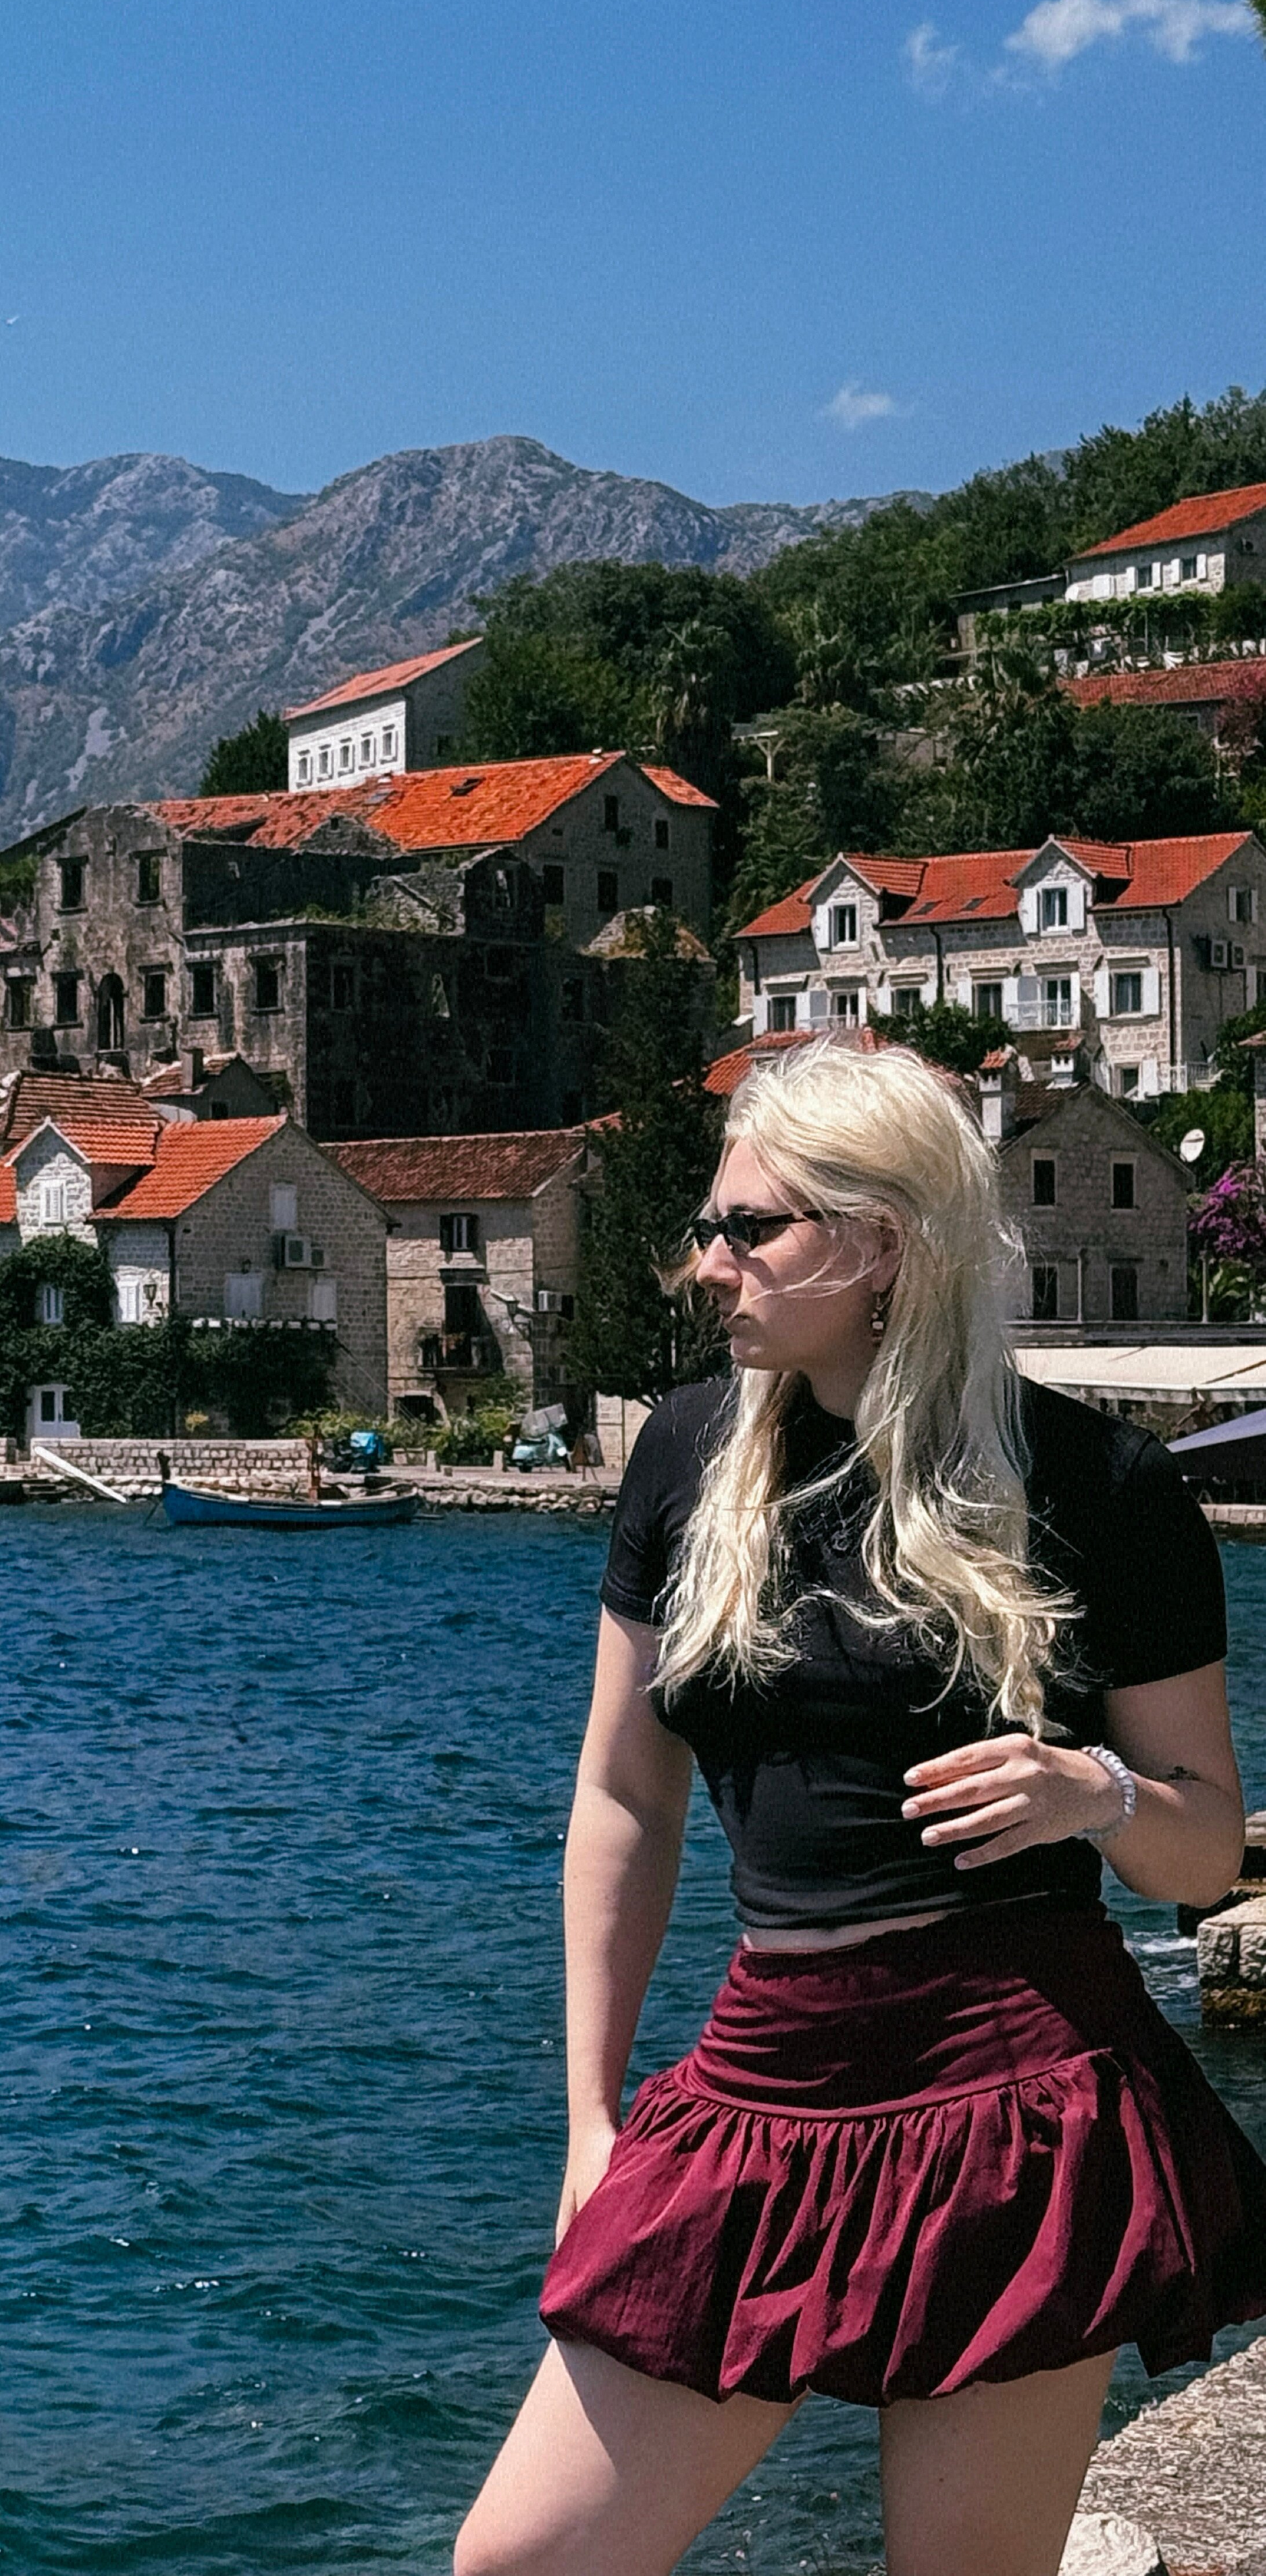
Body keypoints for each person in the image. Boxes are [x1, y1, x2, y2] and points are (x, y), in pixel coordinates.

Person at [457, 1041, 1266, 2576]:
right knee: (528, 2559)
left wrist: (1088, 1789)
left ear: (885, 1242)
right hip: (767, 2064)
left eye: (751, 1228)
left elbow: (1207, 1846)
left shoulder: (1097, 1488)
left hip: (1016, 2096)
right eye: (710, 1226)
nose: (711, 1263)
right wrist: (591, 2115)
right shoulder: (689, 1456)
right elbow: (625, 1800)